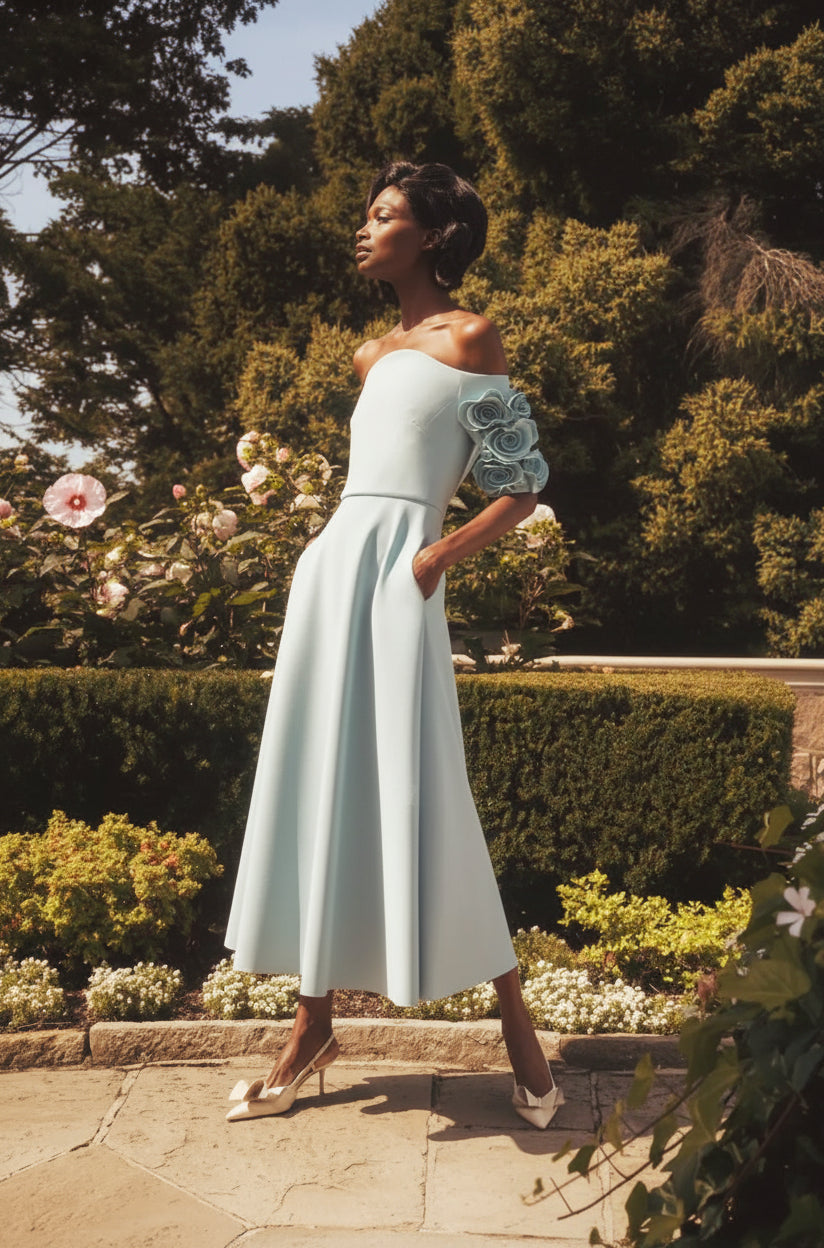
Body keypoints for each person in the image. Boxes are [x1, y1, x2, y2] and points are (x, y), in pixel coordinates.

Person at [224, 161, 562, 1130]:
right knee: (321, 786)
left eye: (382, 217)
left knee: (426, 795)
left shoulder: (471, 337)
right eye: (366, 217)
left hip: (398, 580)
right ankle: (311, 1028)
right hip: (331, 571)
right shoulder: (371, 355)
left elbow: (521, 481)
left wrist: (433, 561)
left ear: (431, 238)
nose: (362, 231)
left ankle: (522, 1039)